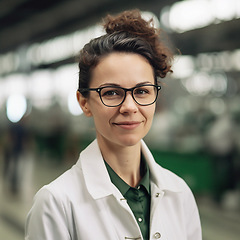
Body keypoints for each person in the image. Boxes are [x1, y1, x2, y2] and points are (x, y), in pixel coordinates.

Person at [25, 9, 202, 240]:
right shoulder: (56, 205)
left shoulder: (180, 194)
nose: (129, 106)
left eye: (141, 91)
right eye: (111, 93)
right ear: (84, 103)